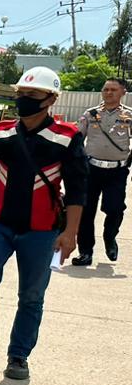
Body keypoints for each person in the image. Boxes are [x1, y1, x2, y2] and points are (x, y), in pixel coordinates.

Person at [0, 67, 86, 381]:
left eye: (32, 95)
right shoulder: (0, 132)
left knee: (31, 296)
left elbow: (78, 190)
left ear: (51, 99)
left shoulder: (67, 136)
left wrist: (69, 234)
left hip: (42, 233)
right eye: (21, 94)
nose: (24, 100)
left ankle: (18, 357)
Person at [74, 77, 131, 265]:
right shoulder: (90, 114)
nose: (108, 93)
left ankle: (110, 237)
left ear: (123, 92)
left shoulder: (129, 116)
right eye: (105, 89)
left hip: (117, 171)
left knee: (115, 208)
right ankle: (85, 252)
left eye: (113, 89)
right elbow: (77, 139)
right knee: (86, 211)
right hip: (91, 170)